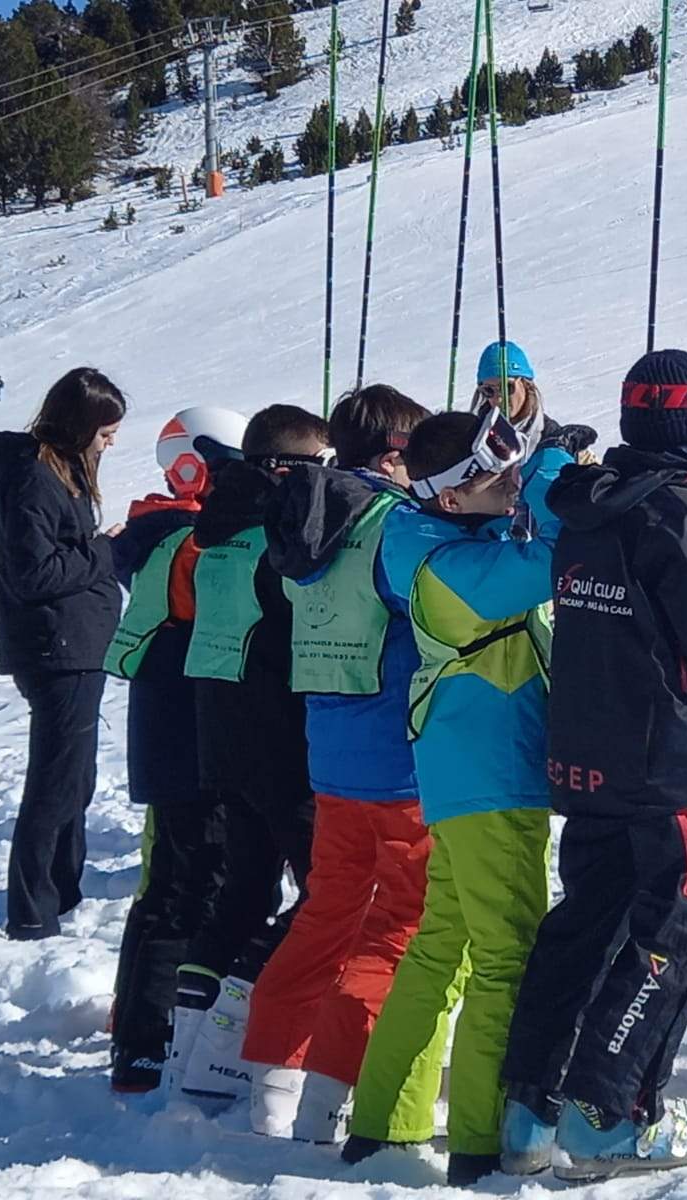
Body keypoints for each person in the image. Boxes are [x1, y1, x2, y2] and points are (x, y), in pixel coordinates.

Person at [499, 350, 687, 1182]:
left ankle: (530, 1111)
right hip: (669, 767)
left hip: (591, 755)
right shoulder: (684, 516)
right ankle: (606, 1116)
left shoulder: (582, 505)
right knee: (669, 935)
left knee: (586, 924)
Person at [343, 408, 589, 1187]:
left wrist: (535, 462)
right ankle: (481, 1140)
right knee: (506, 956)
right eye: (497, 477)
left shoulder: (434, 538)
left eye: (514, 470)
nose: (512, 484)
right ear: (451, 497)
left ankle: (386, 1122)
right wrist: (551, 468)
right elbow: (554, 558)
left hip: (464, 773)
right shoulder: (452, 567)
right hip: (492, 778)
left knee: (442, 945)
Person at [239, 385, 431, 1143]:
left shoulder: (303, 521)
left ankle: (270, 1080)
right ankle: (333, 1088)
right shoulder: (395, 524)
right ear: (394, 452)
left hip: (333, 756)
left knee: (326, 915)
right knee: (400, 925)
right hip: (403, 761)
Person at [168, 405, 332, 1103]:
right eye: (320, 469)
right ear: (284, 469)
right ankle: (231, 1033)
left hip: (225, 739)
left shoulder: (216, 525)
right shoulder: (275, 533)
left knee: (243, 891)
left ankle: (189, 1041)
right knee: (329, 893)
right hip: (278, 741)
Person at [106, 406, 249, 1093]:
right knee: (195, 882)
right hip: (198, 733)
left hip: (169, 733)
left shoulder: (153, 528)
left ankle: (136, 1027)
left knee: (168, 883)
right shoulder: (185, 539)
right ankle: (147, 1036)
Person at [0, 368, 126, 941]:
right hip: (56, 645)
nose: (111, 441)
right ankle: (31, 908)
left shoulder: (60, 465)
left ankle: (62, 886)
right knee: (55, 779)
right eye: (105, 429)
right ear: (79, 424)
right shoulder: (34, 477)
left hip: (76, 642)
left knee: (76, 775)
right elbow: (33, 571)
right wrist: (103, 552)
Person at [471, 340, 541, 427]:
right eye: (488, 390)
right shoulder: (472, 434)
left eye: (507, 387)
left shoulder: (553, 437)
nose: (499, 399)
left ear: (526, 384)